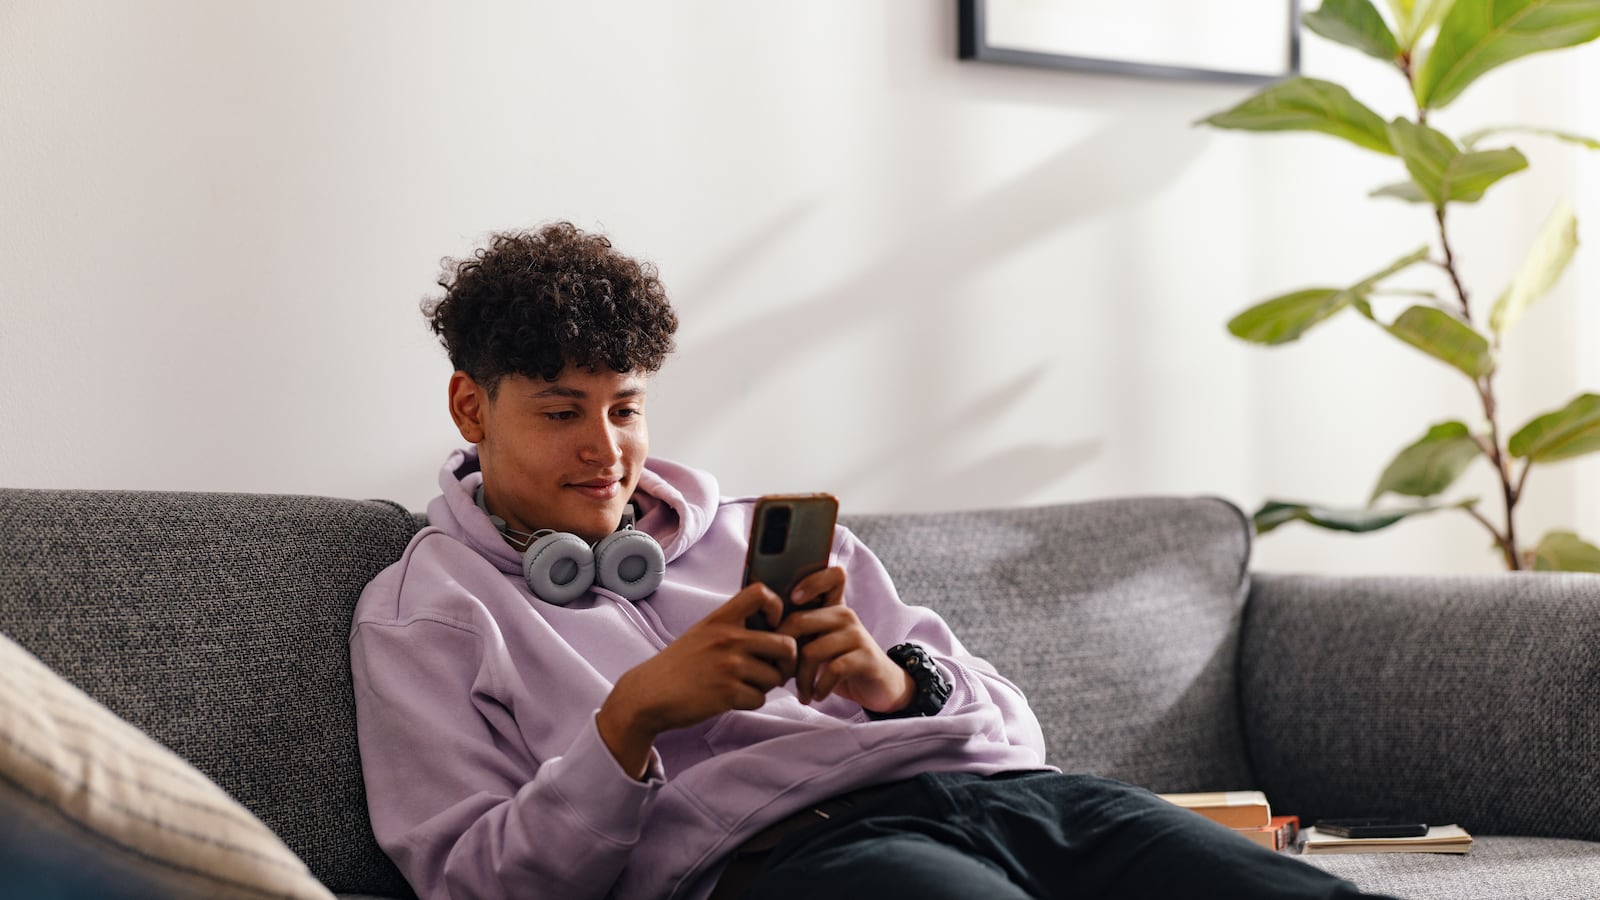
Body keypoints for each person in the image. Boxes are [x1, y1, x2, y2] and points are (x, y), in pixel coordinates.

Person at [350, 222, 1395, 900]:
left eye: (624, 408)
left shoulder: (757, 533)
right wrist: (630, 723)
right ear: (471, 406)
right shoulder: (426, 613)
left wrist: (890, 684)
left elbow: (1014, 731)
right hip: (794, 861)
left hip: (1016, 803)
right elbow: (475, 882)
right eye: (561, 412)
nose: (606, 447)